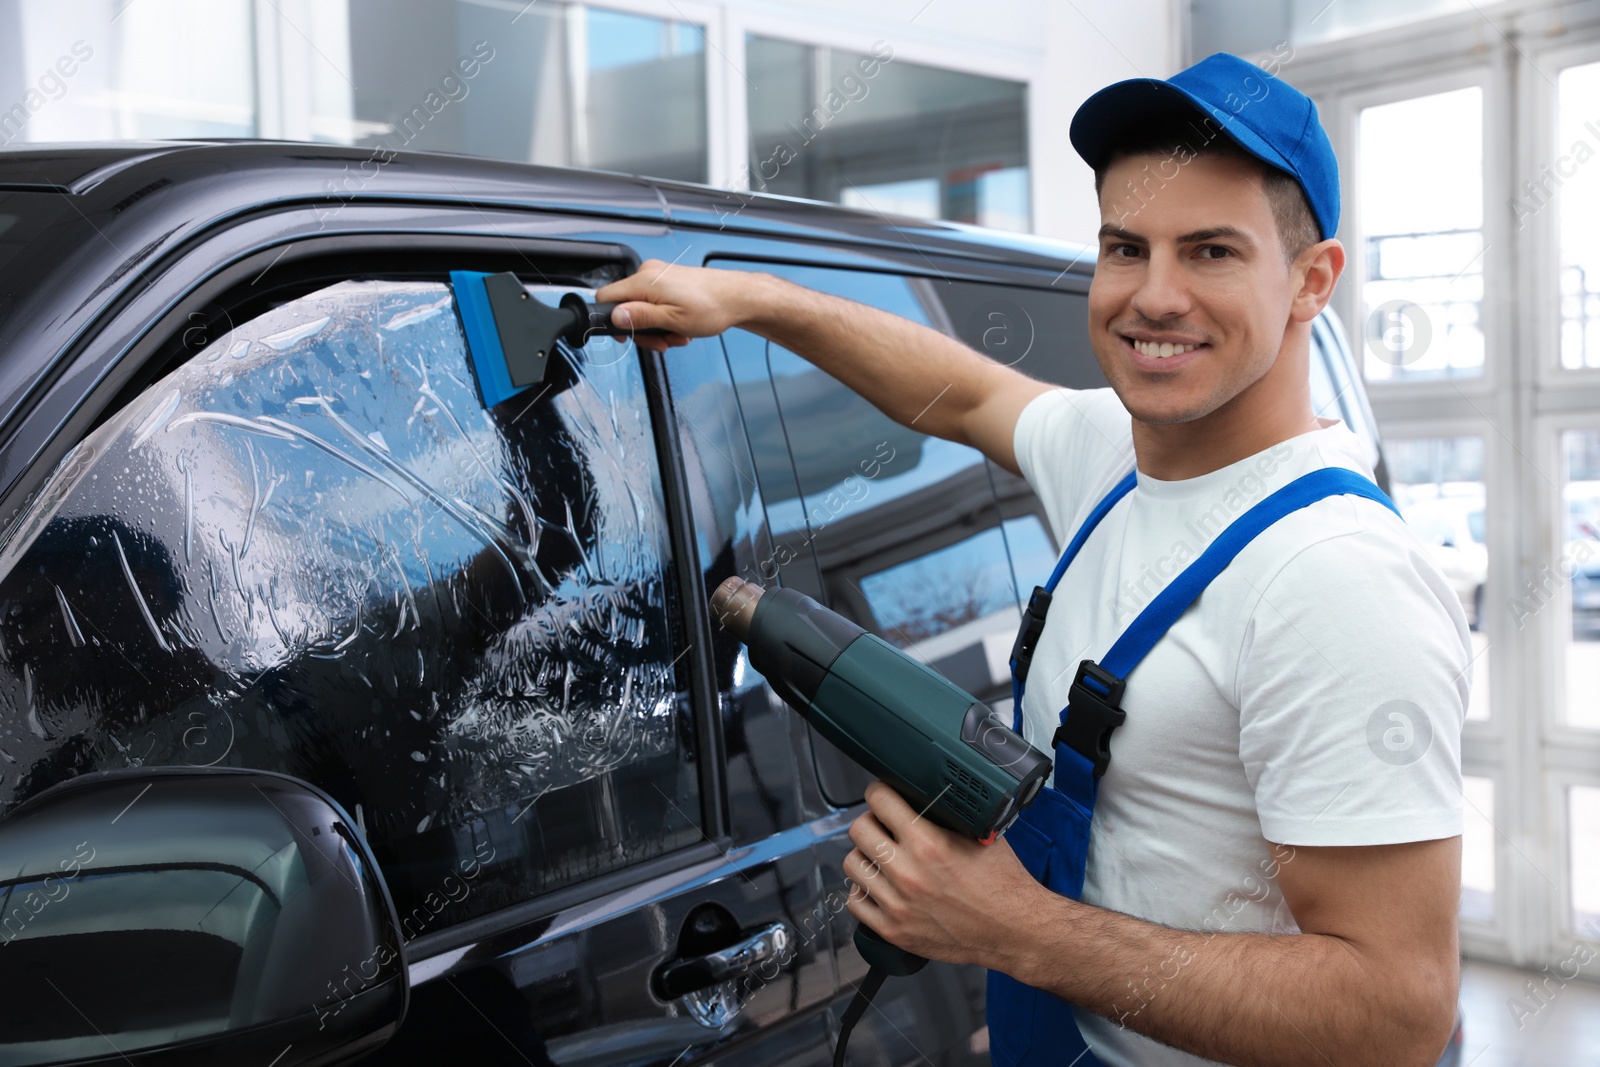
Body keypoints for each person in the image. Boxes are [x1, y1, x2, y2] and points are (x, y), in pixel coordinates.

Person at [596, 52, 1469, 1067]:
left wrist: (1016, 929)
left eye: (1212, 252)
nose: (1155, 296)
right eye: (1124, 247)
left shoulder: (1334, 576)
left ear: (1311, 279)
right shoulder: (1115, 452)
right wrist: (753, 304)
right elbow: (963, 393)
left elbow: (1395, 1011)